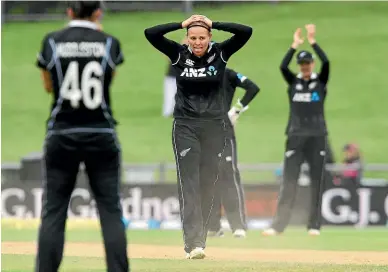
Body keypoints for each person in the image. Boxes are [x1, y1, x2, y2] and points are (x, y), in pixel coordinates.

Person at [144, 15, 252, 259]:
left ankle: (200, 237)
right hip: (185, 126)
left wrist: (212, 23)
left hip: (215, 127)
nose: (198, 42)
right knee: (189, 183)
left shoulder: (221, 54)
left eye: (202, 38)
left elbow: (245, 30)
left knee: (208, 184)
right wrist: (182, 24)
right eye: (193, 38)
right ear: (188, 39)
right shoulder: (178, 55)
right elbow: (151, 33)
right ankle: (194, 243)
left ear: (210, 38)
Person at [35, 2, 129, 271]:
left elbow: (48, 85)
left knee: (54, 210)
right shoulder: (109, 42)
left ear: (69, 11)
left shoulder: (52, 41)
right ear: (98, 12)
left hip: (61, 132)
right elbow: (107, 79)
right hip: (101, 132)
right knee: (110, 210)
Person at [262, 24, 330, 237]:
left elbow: (327, 62)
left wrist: (313, 42)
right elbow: (283, 67)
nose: (304, 66)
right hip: (295, 136)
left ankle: (314, 225)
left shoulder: (320, 81)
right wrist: (294, 46)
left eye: (307, 63)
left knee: (317, 182)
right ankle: (278, 226)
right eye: (301, 64)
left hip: (318, 136)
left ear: (312, 63)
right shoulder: (294, 82)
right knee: (289, 182)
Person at [207, 68, 260, 238]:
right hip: (203, 133)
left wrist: (236, 109)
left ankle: (238, 226)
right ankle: (213, 227)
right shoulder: (196, 73)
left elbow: (252, 87)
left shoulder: (227, 74)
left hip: (224, 132)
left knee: (228, 177)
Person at [162, 38, 188, 117]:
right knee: (170, 95)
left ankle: (170, 112)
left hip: (180, 77)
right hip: (172, 76)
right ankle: (167, 112)